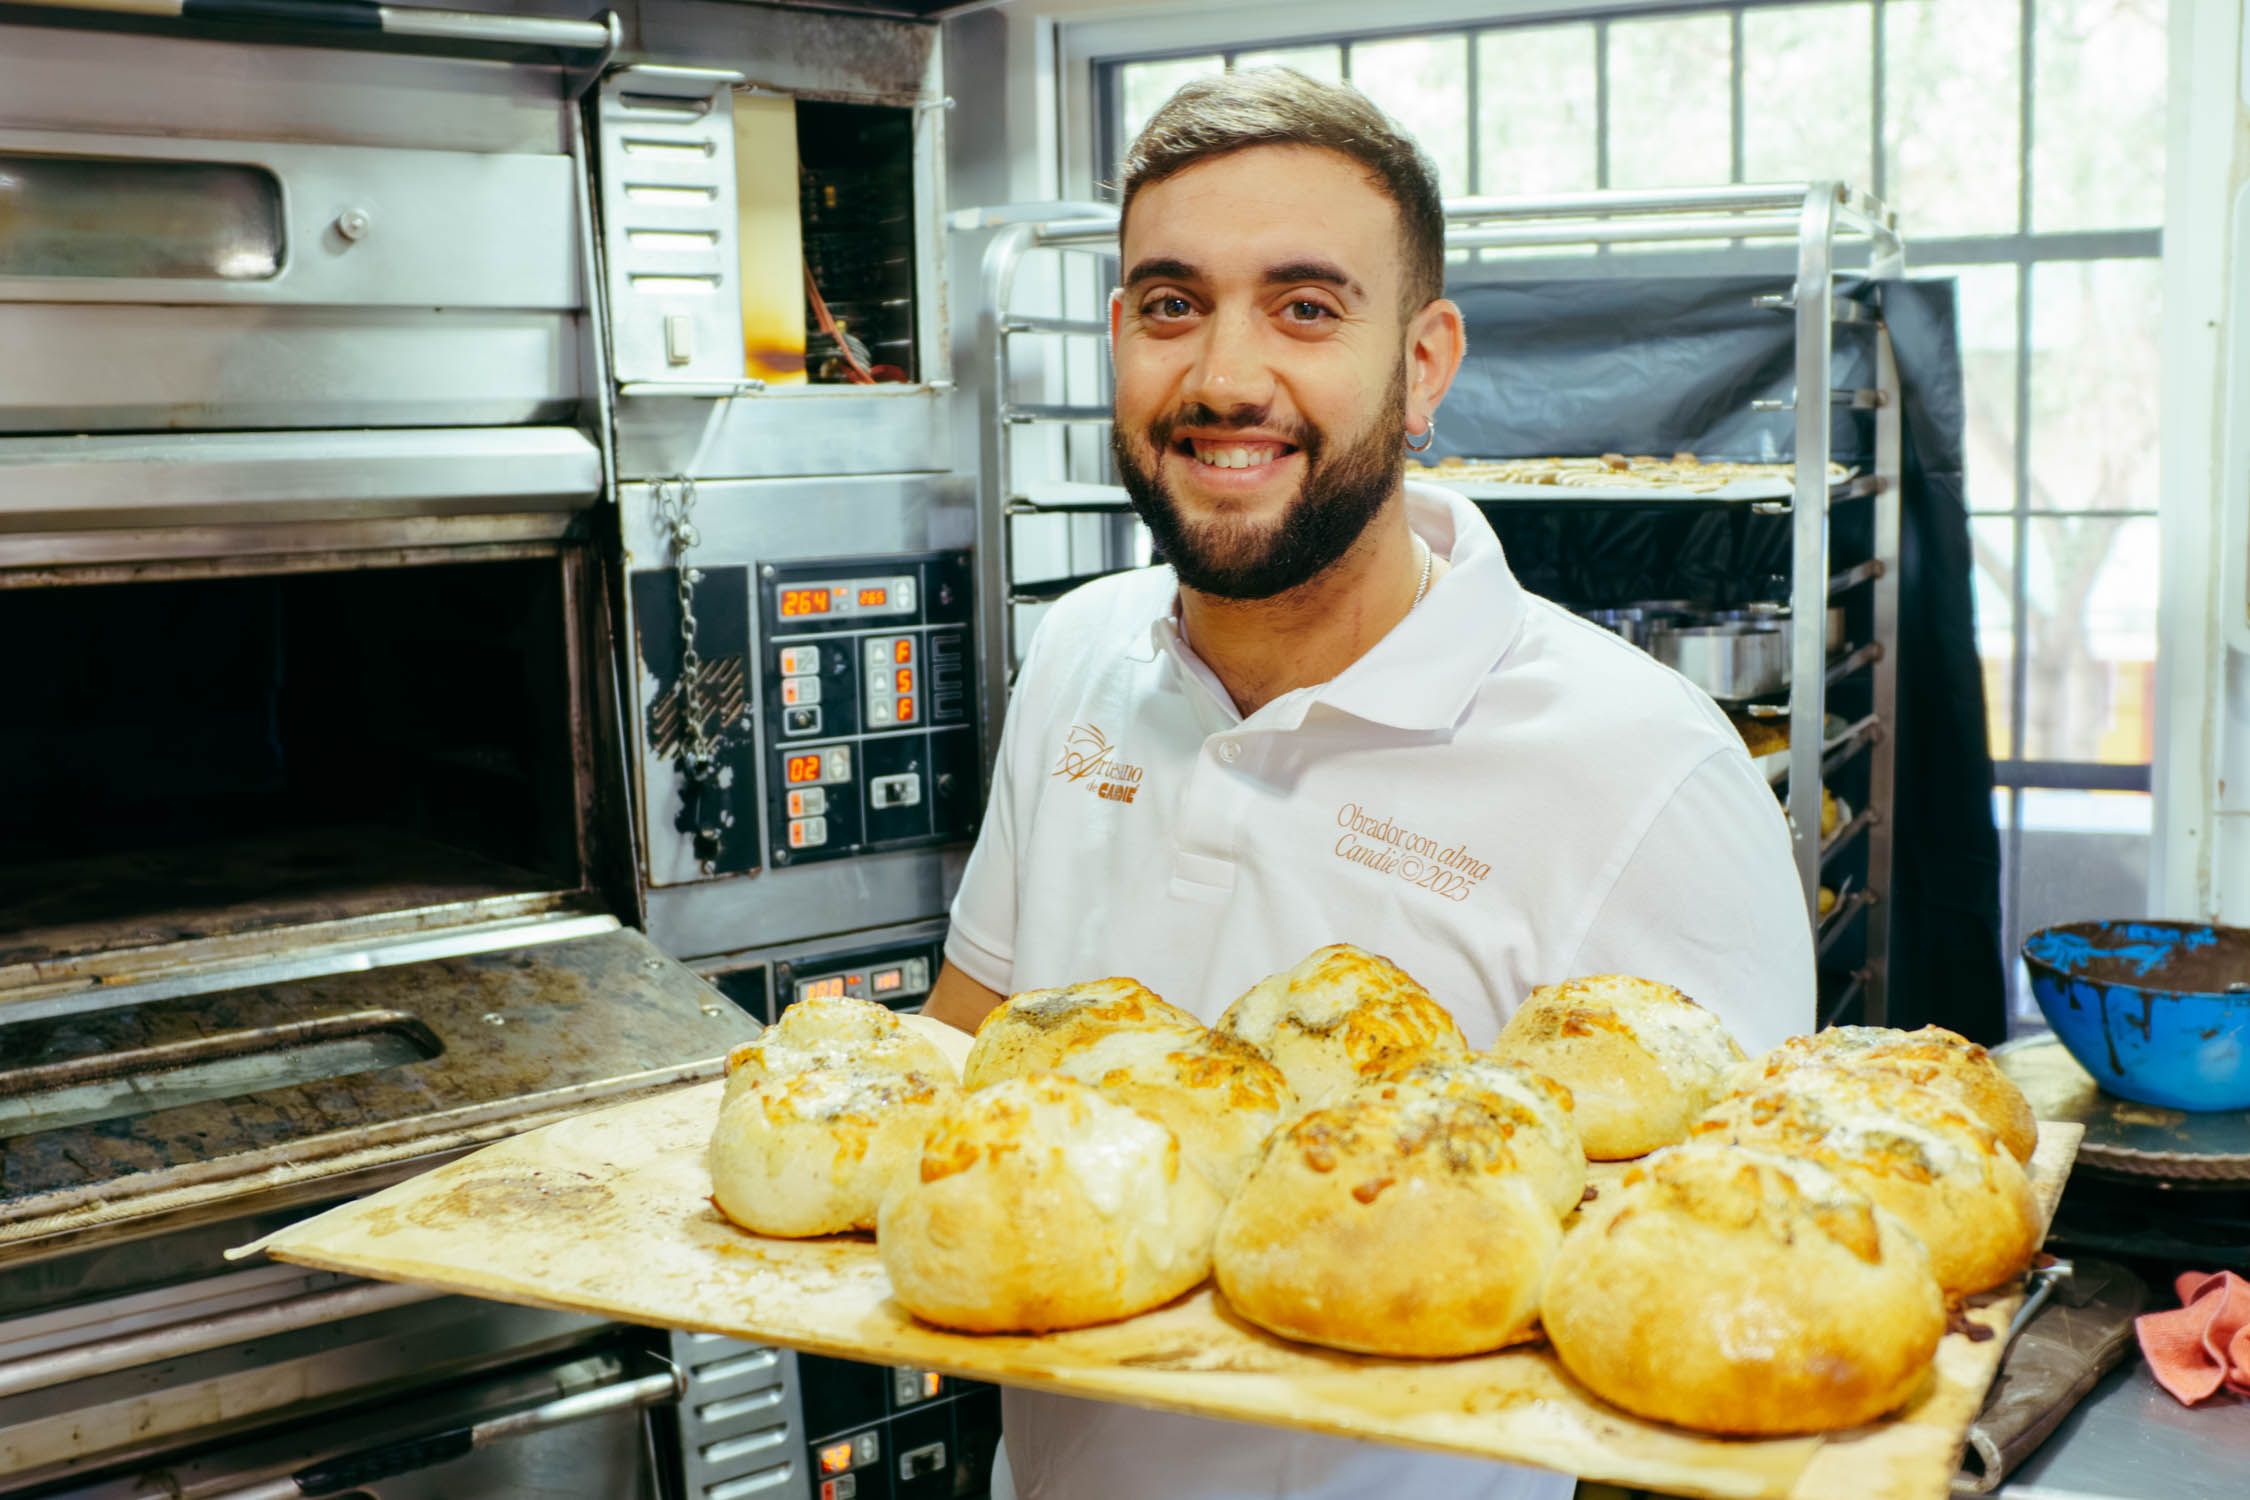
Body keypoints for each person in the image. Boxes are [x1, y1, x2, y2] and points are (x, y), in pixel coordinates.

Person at [922, 68, 1815, 1500]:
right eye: (1169, 305)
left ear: (1423, 362)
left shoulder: (1642, 768)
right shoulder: (1082, 653)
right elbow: (964, 1066)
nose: (1220, 377)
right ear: (1116, 340)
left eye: (1304, 306)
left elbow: (1737, 1300)